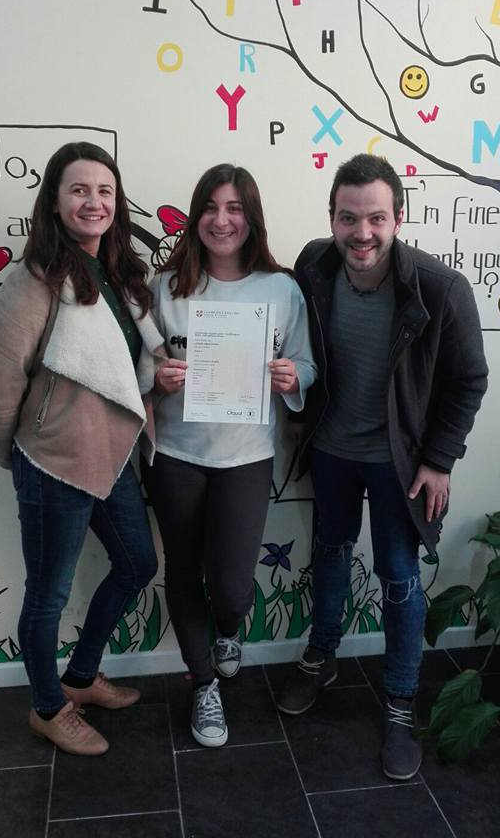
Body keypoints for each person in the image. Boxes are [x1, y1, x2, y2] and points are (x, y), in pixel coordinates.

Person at [277, 153, 488, 780]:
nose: (361, 232)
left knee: (398, 574)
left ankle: (400, 700)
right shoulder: (314, 266)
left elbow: (469, 380)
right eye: (348, 218)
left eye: (375, 218)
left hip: (403, 463)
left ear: (399, 217)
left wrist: (440, 460)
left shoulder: (441, 288)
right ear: (331, 218)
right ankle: (321, 655)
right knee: (330, 552)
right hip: (332, 449)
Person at [0, 142, 163, 756]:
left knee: (138, 565)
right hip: (53, 462)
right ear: (55, 202)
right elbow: (0, 385)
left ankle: (80, 676)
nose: (94, 201)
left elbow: (126, 372)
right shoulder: (32, 281)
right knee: (48, 596)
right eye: (79, 189)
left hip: (113, 458)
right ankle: (47, 707)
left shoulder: (121, 277)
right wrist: (19, 458)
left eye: (105, 191)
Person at [141, 163, 316, 748]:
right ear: (196, 217)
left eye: (235, 208)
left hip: (246, 455)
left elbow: (307, 365)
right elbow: (136, 367)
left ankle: (229, 629)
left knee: (234, 587)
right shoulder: (165, 287)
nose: (221, 220)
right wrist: (156, 379)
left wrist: (292, 377)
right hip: (176, 453)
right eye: (211, 207)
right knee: (183, 569)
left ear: (252, 218)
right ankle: (203, 685)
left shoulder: (281, 290)